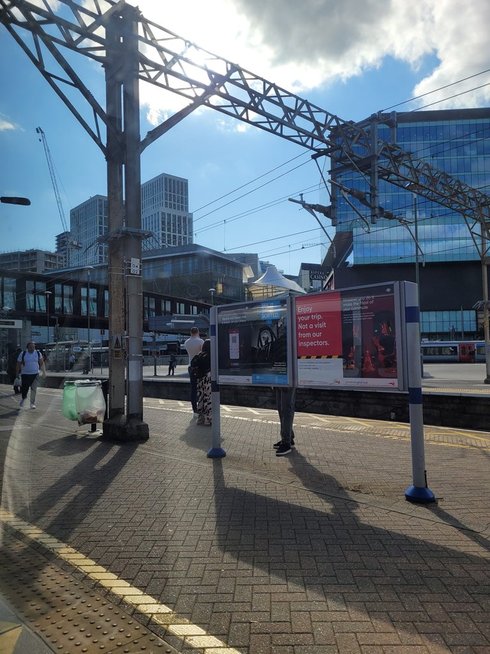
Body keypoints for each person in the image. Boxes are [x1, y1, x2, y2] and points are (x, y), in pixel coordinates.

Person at [16, 341, 46, 409]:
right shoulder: (23, 354)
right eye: (30, 347)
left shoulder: (38, 353)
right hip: (25, 374)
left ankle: (32, 403)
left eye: (33, 347)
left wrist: (44, 372)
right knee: (25, 388)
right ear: (27, 347)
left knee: (34, 389)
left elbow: (42, 363)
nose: (32, 348)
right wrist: (17, 373)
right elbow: (18, 364)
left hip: (35, 374)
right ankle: (24, 399)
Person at [190, 339, 212, 426]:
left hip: (200, 381)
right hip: (208, 381)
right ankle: (208, 420)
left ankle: (200, 419)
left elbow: (193, 365)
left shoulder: (199, 355)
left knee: (201, 400)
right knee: (208, 400)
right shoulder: (210, 356)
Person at [184, 327, 204, 415]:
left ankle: (194, 409)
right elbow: (202, 353)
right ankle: (201, 406)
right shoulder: (201, 341)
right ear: (198, 332)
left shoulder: (186, 342)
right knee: (201, 388)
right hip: (200, 367)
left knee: (193, 388)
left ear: (190, 332)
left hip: (191, 367)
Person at [273, 386, 296, 456]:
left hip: (287, 380)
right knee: (281, 409)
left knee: (286, 409)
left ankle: (286, 443)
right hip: (279, 380)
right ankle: (289, 438)